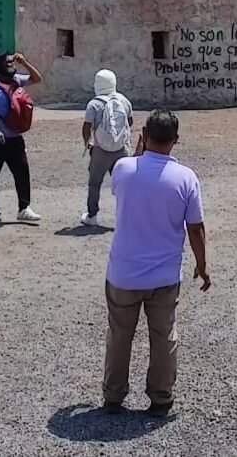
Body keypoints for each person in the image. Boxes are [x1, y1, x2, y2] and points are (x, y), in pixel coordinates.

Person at [102, 109, 210, 417]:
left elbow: (128, 176)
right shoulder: (186, 178)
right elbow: (196, 228)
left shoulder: (123, 168)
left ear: (144, 135)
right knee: (163, 336)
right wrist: (202, 265)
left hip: (123, 272)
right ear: (176, 140)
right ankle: (161, 397)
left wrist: (140, 149)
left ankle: (113, 395)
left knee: (120, 335)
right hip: (163, 276)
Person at [0, 51, 43, 222]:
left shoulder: (16, 81)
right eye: (8, 63)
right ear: (0, 65)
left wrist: (25, 62)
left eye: (12, 63)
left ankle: (24, 208)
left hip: (15, 138)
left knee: (22, 171)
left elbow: (37, 79)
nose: (12, 65)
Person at [81, 69, 134, 227]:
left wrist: (88, 143)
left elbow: (86, 127)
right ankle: (126, 216)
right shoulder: (124, 100)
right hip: (121, 150)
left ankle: (92, 215)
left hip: (100, 151)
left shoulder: (94, 104)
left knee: (95, 183)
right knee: (123, 183)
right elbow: (129, 122)